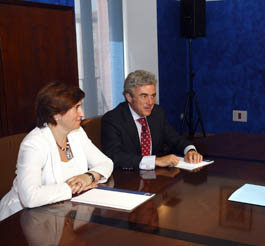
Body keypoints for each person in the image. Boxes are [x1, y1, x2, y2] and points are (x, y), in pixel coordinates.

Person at [0, 81, 113, 221]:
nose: (82, 113)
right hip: (22, 220)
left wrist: (88, 177)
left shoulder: (76, 133)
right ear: (56, 114)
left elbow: (106, 162)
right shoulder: (34, 144)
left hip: (61, 213)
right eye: (76, 108)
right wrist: (72, 188)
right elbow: (30, 197)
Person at [101, 70, 203, 170]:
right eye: (144, 96)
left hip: (154, 177)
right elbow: (114, 156)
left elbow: (174, 138)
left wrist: (190, 150)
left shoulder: (157, 112)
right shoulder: (112, 119)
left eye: (153, 96)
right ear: (129, 97)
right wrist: (155, 161)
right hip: (127, 178)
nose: (150, 102)